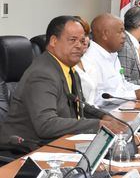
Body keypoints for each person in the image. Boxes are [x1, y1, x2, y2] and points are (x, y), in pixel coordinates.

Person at [0, 16, 123, 146]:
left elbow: (79, 104)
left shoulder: (68, 68)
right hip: (25, 150)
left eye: (82, 41)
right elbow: (46, 125)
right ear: (53, 41)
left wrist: (103, 116)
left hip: (57, 143)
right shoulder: (42, 74)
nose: (79, 46)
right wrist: (97, 124)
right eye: (72, 40)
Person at [79, 14, 140, 107]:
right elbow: (96, 98)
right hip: (104, 113)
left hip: (121, 107)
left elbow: (122, 85)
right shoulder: (89, 59)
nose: (124, 36)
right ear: (105, 34)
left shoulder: (113, 53)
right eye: (120, 32)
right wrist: (134, 94)